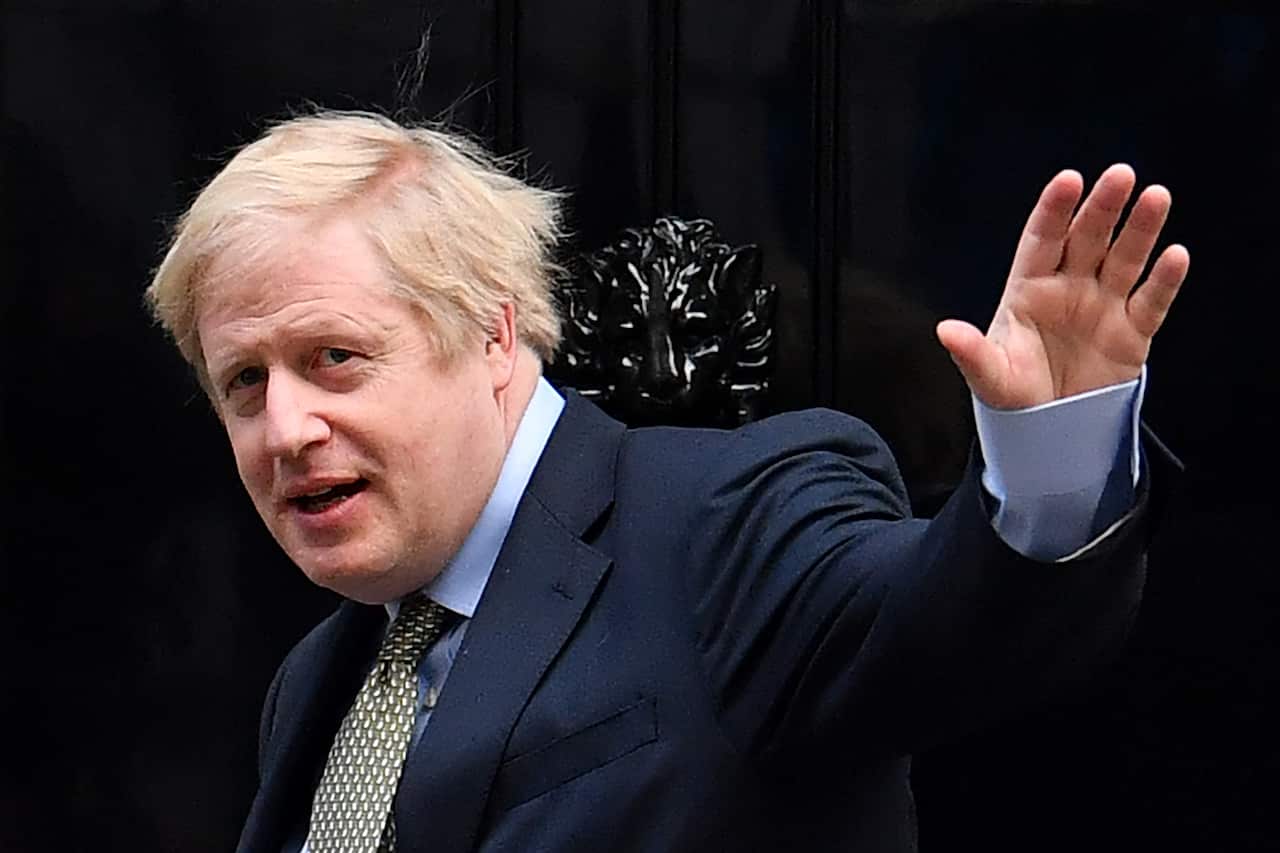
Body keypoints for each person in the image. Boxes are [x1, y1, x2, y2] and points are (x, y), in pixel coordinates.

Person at [145, 110, 1187, 853]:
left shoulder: (724, 521)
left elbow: (948, 634)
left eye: (334, 357)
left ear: (494, 333)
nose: (285, 427)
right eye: (244, 381)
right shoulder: (319, 678)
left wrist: (1054, 449)